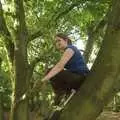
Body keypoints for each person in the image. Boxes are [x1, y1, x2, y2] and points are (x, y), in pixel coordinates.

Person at [34, 33, 89, 104]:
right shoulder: (66, 52)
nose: (57, 43)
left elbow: (59, 66)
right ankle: (66, 94)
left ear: (65, 40)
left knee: (50, 71)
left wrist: (43, 80)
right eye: (55, 42)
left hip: (81, 77)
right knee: (54, 75)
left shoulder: (70, 49)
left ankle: (61, 94)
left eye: (59, 40)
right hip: (76, 78)